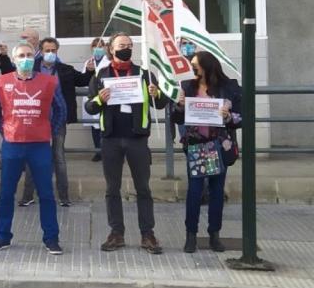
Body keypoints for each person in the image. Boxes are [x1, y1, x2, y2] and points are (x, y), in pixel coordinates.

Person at [84, 32, 168, 255]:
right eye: (122, 45)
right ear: (111, 48)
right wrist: (100, 98)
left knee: (144, 188)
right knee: (112, 189)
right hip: (110, 139)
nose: (126, 48)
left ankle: (147, 234)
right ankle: (116, 233)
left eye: (130, 45)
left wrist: (156, 92)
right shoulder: (101, 75)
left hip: (137, 139)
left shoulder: (144, 74)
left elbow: (161, 103)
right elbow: (90, 108)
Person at [0, 42, 67, 255]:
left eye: (30, 55)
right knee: (6, 193)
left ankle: (51, 238)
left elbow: (61, 110)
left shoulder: (49, 82)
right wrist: (5, 131)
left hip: (39, 145)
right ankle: (2, 236)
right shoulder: (3, 82)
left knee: (46, 193)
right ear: (13, 59)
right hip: (12, 145)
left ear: (36, 57)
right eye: (21, 55)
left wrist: (49, 130)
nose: (26, 58)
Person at [171, 51, 242, 253]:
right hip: (196, 146)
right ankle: (191, 234)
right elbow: (176, 117)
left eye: (195, 65)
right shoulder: (187, 87)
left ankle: (214, 234)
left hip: (219, 146)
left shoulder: (229, 88)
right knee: (194, 191)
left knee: (217, 191)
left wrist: (228, 117)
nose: (191, 68)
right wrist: (179, 106)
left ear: (206, 67)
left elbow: (242, 117)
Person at [18, 38, 92, 208]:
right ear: (41, 51)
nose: (50, 53)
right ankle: (28, 195)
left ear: (57, 51)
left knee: (59, 156)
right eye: (47, 50)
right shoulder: (31, 67)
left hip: (58, 119)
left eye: (53, 50)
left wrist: (89, 71)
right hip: (35, 119)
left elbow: (82, 80)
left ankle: (64, 196)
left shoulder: (65, 70)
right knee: (32, 157)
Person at [82, 38, 109, 162]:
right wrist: (89, 70)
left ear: (105, 48)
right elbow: (84, 79)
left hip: (104, 97)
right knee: (94, 127)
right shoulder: (89, 62)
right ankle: (97, 151)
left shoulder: (108, 62)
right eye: (95, 46)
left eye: (100, 46)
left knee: (105, 126)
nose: (97, 48)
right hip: (93, 98)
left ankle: (107, 152)